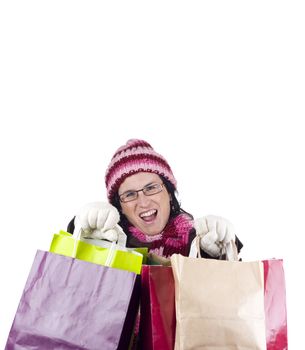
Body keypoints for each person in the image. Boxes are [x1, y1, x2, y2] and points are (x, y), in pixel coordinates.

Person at [67, 139, 243, 259]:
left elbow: (226, 295)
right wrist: (82, 227)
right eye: (129, 194)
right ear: (119, 206)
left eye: (151, 188)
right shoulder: (109, 241)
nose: (143, 202)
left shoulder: (198, 240)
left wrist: (218, 252)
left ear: (168, 192)